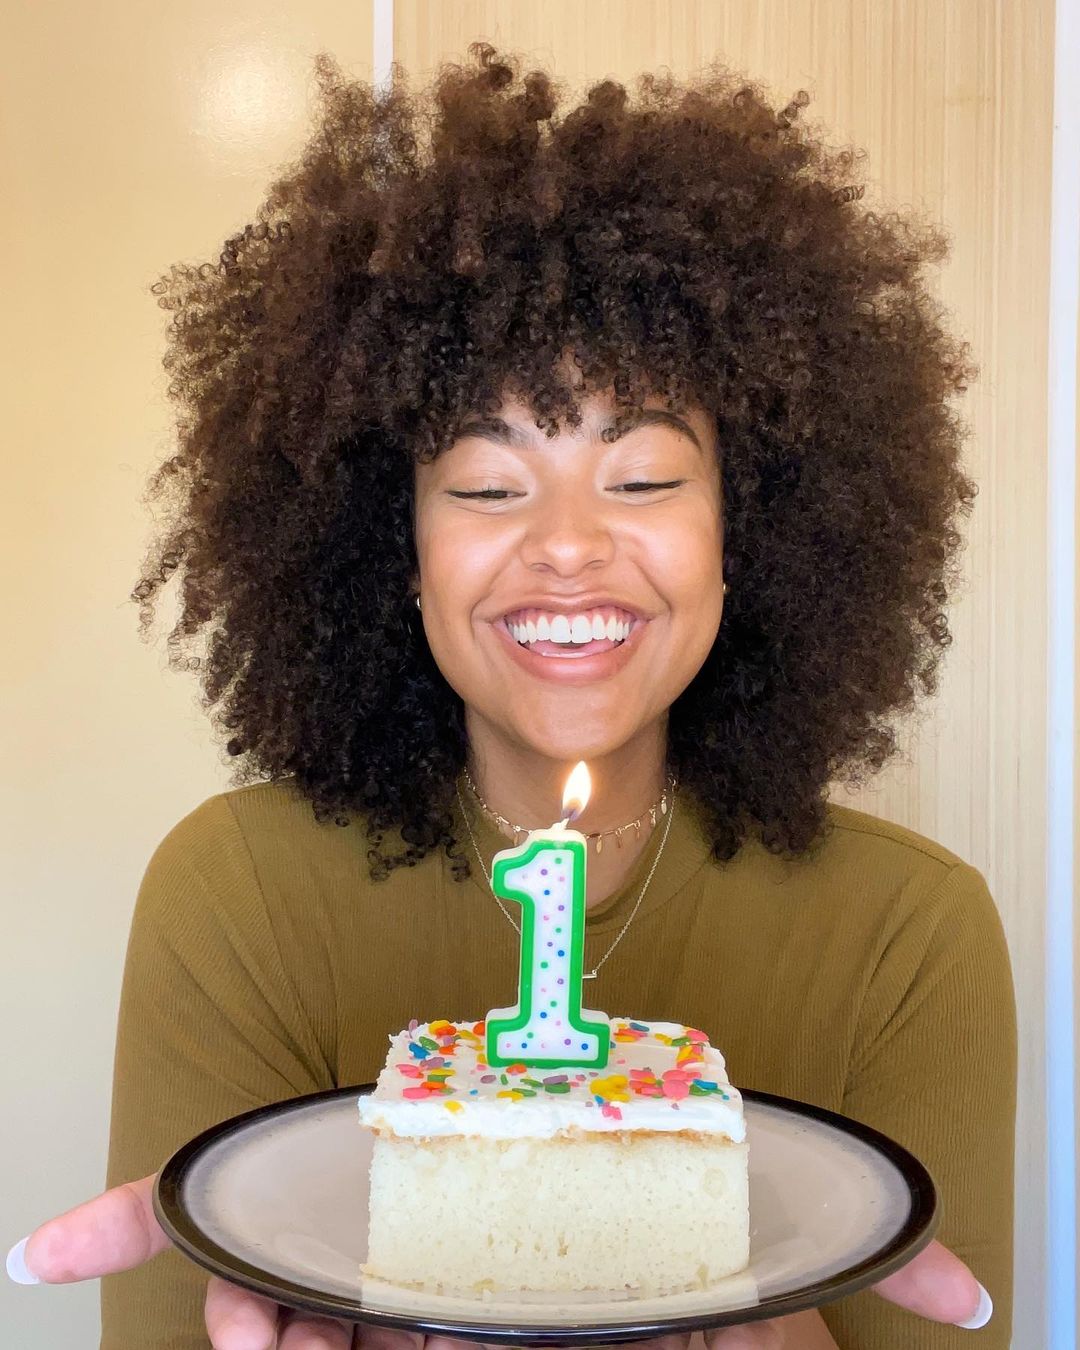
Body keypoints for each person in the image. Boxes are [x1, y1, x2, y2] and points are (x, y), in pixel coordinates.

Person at [7, 43, 1014, 1350]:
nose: (568, 545)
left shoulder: (912, 935)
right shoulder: (236, 894)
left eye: (642, 478)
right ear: (396, 551)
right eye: (488, 486)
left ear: (746, 534)